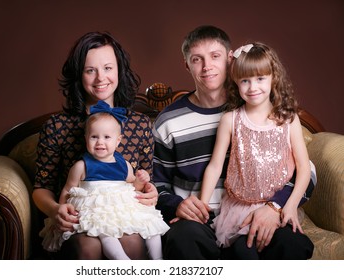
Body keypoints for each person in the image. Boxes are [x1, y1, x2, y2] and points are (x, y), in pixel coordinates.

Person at [153, 25, 315, 259]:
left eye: (215, 56)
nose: (207, 66)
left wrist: (274, 206)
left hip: (259, 211)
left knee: (292, 244)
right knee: (183, 238)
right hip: (200, 218)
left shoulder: (256, 108)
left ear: (230, 59)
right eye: (197, 59)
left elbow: (306, 169)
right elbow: (157, 182)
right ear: (186, 65)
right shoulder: (168, 121)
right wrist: (177, 204)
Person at [32, 31, 159, 259]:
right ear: (79, 76)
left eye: (108, 68)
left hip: (123, 213)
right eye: (91, 70)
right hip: (80, 217)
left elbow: (144, 180)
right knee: (89, 246)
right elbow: (42, 187)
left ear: (119, 71)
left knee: (132, 242)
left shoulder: (140, 124)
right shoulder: (58, 126)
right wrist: (56, 210)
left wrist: (150, 191)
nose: (101, 78)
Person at [199, 42, 311, 258]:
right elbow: (214, 167)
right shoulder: (230, 120)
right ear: (236, 83)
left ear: (273, 78)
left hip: (277, 208)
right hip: (239, 209)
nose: (252, 87)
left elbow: (304, 169)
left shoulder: (289, 120)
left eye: (260, 79)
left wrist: (290, 206)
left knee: (295, 246)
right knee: (244, 253)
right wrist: (202, 206)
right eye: (245, 81)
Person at [40, 101, 169, 259]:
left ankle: (159, 259)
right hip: (97, 212)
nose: (100, 142)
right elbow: (69, 189)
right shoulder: (82, 166)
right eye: (94, 137)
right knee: (106, 233)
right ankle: (122, 261)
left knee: (149, 225)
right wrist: (62, 209)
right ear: (86, 138)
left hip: (120, 212)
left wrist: (142, 181)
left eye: (107, 137)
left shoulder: (125, 164)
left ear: (118, 140)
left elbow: (133, 185)